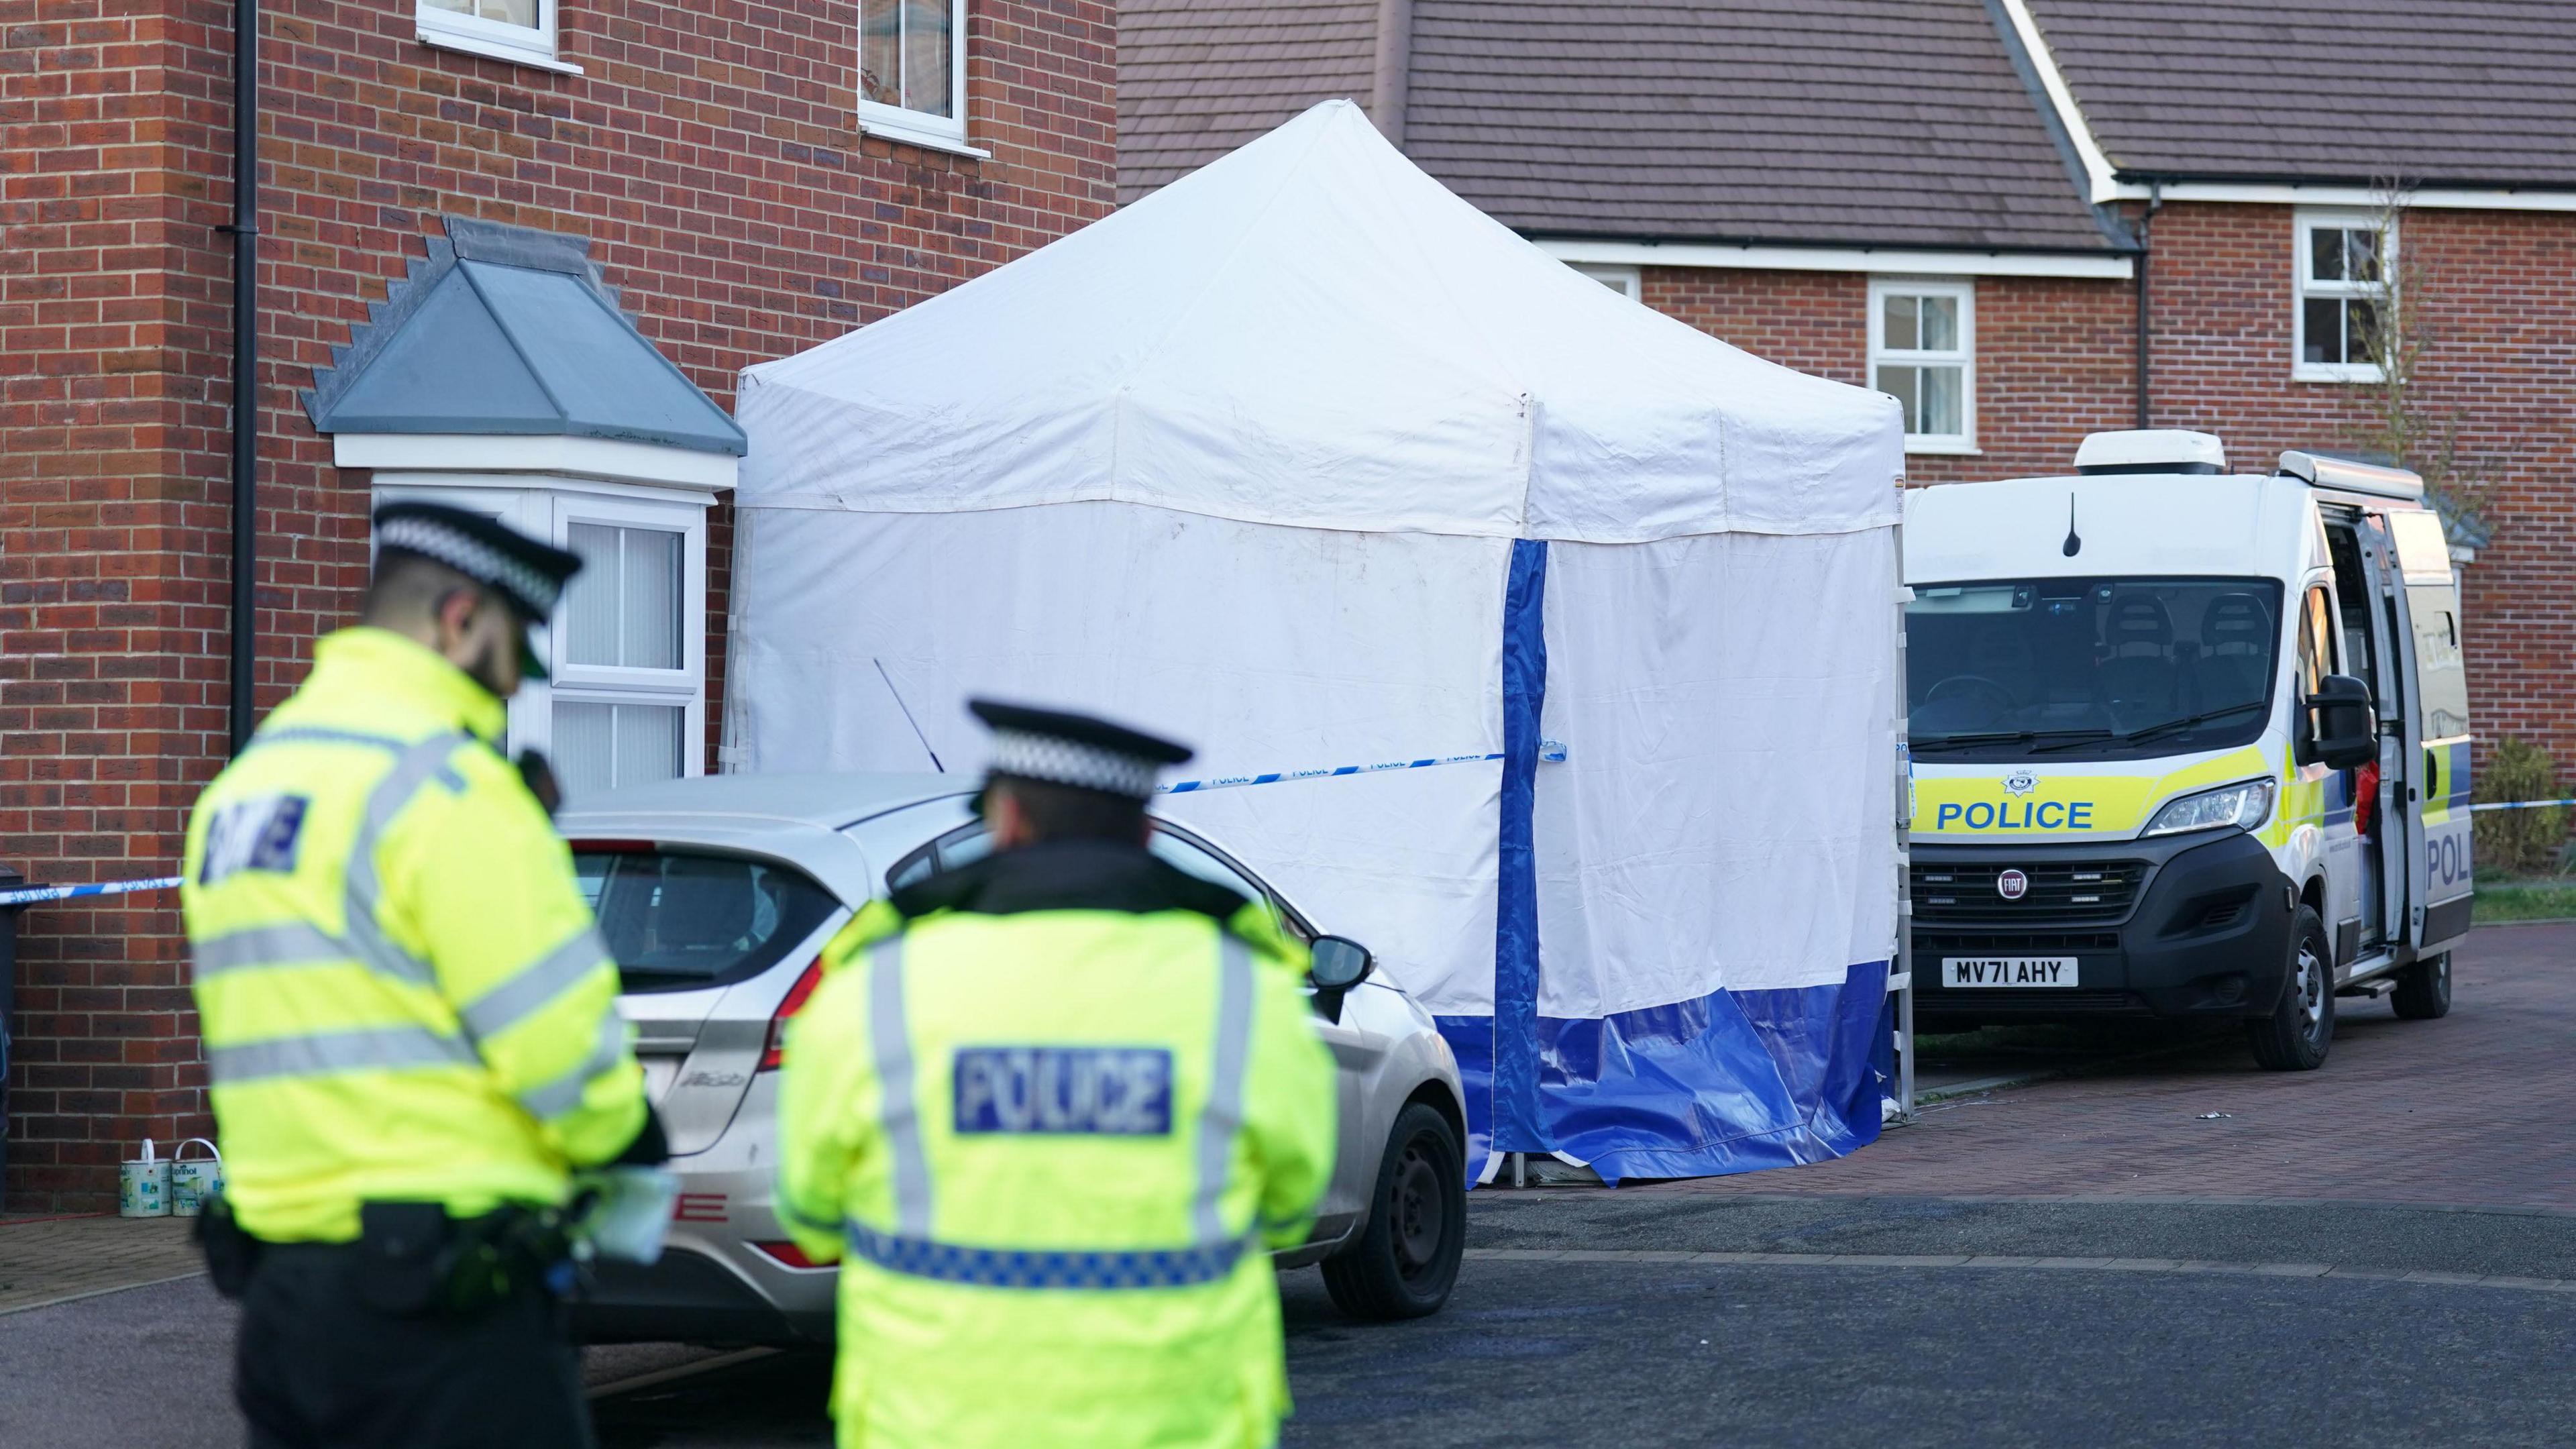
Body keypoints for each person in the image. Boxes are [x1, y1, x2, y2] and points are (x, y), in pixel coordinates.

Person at [182, 502, 662, 1449]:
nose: (516, 678)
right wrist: (629, 1145)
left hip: (282, 1301)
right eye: (514, 645)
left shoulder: (246, 788)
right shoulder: (447, 787)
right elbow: (557, 1045)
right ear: (460, 618)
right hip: (443, 1311)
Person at [775, 700, 1338, 1448]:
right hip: (1175, 1422)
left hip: (933, 1421)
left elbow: (811, 1213)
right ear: (1142, 833)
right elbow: (1293, 1205)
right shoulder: (1243, 988)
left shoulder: (877, 985)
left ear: (1005, 823)